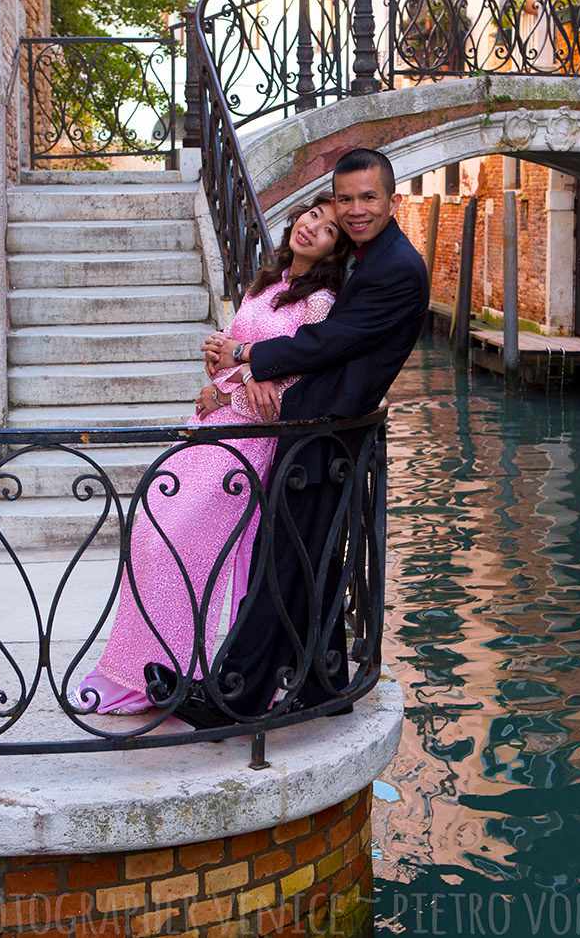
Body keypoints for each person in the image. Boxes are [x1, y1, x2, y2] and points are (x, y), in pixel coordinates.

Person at [146, 147, 431, 728]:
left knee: (281, 563)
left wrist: (248, 356)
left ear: (391, 200)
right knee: (308, 562)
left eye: (366, 198)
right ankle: (321, 680)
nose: (354, 210)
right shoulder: (364, 255)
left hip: (323, 431)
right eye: (345, 199)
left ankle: (235, 696)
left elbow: (330, 342)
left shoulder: (397, 267)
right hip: (316, 430)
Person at [68, 196, 352, 715]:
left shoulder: (319, 304)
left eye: (329, 228)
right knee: (149, 532)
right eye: (312, 215)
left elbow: (295, 377)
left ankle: (187, 667)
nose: (313, 228)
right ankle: (138, 666)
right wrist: (221, 368)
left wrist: (238, 379)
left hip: (248, 443)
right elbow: (233, 357)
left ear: (338, 249)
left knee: (181, 544)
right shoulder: (266, 283)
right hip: (209, 429)